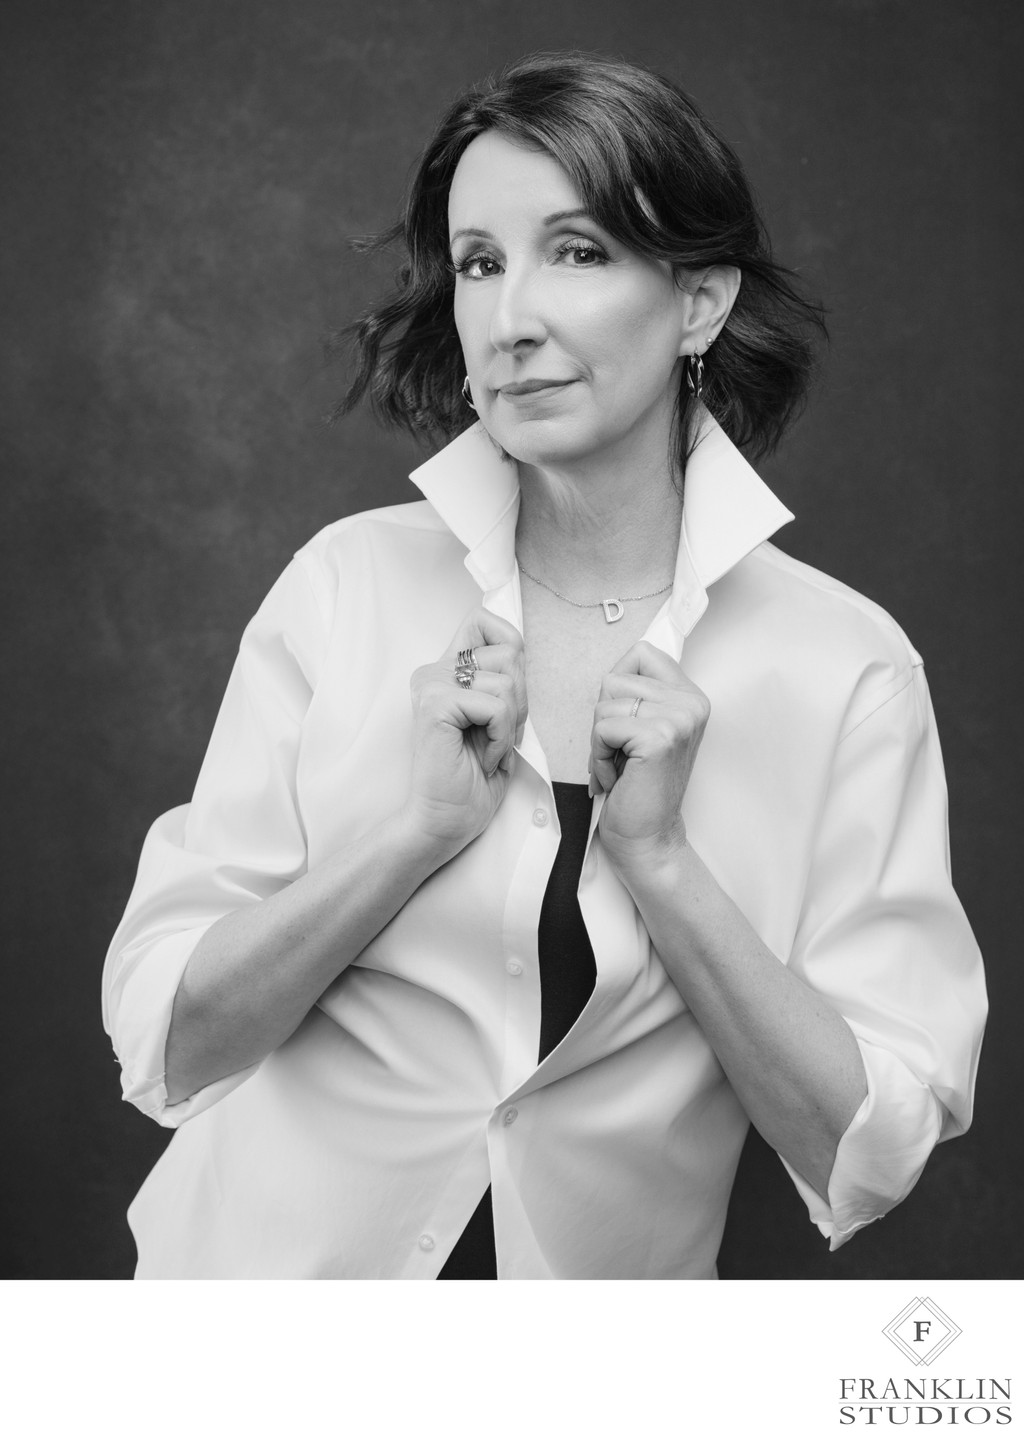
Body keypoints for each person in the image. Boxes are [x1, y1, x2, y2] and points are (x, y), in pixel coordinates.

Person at [102, 51, 985, 1279]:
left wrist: (664, 867)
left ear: (698, 302)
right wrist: (409, 836)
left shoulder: (845, 670)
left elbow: (868, 1154)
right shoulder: (345, 587)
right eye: (479, 262)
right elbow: (170, 1041)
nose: (511, 319)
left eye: (576, 251)